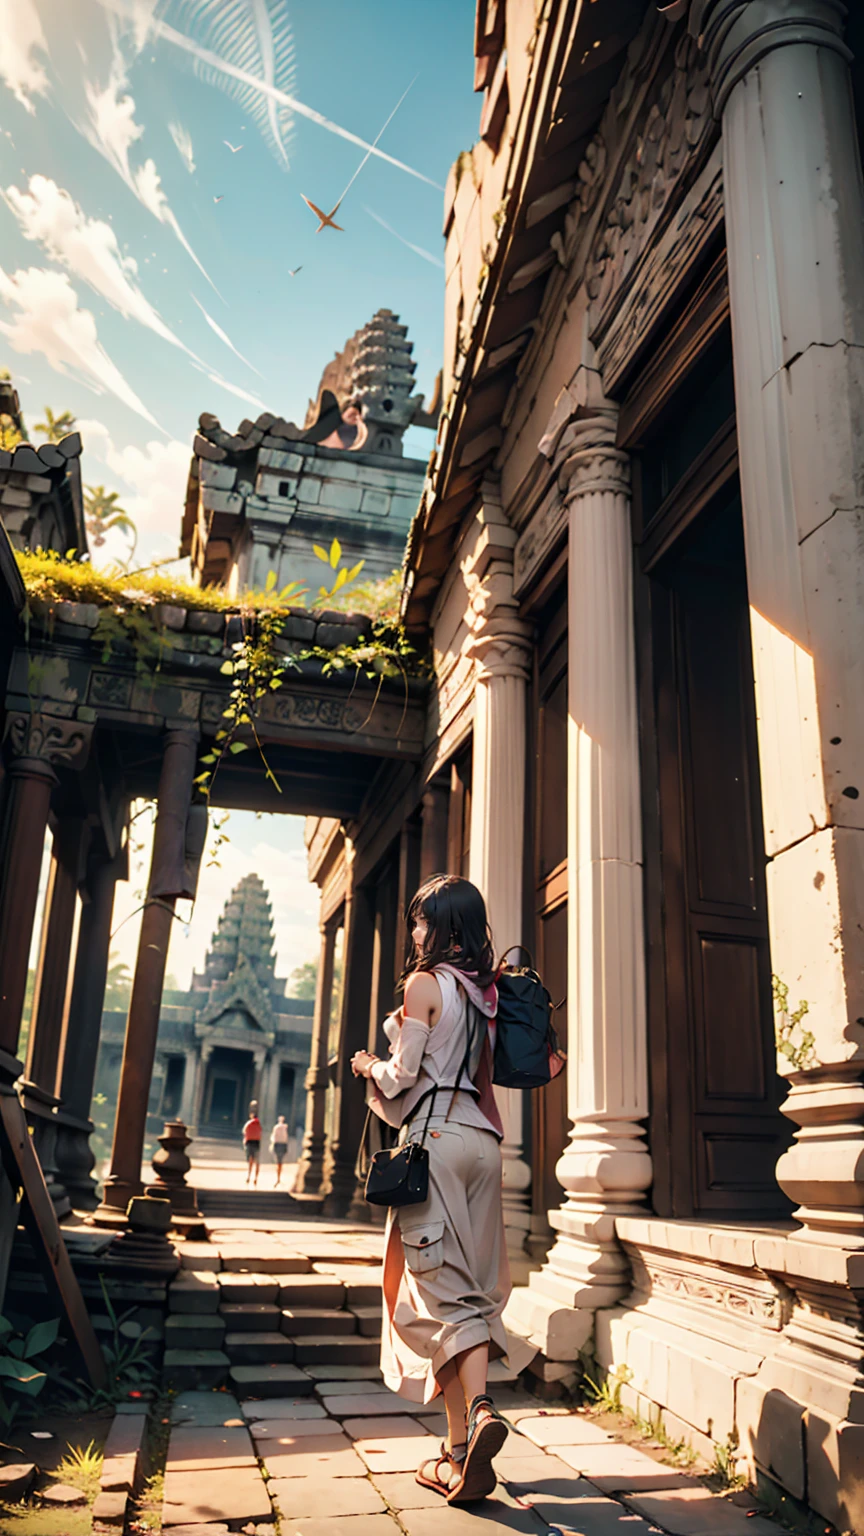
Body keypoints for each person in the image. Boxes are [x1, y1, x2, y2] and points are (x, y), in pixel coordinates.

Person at [351, 873, 511, 1505]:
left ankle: (481, 1411)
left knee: (441, 1294)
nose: (414, 931)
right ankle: (456, 1454)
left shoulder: (425, 985)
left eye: (421, 920)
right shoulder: (484, 995)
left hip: (437, 1145)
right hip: (483, 1145)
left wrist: (368, 1065)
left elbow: (404, 1076)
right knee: (452, 1291)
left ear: (441, 926)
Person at [242, 1103, 262, 1186]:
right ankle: (255, 1178)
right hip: (257, 1142)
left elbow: (244, 1132)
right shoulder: (259, 1123)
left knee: (251, 1160)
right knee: (257, 1161)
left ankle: (249, 1176)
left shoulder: (249, 1123)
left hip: (250, 1142)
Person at [270, 1114, 289, 1185]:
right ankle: (278, 1176)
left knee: (278, 1161)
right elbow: (286, 1138)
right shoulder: (285, 1127)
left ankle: (278, 1177)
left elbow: (274, 1137)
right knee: (280, 1162)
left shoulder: (276, 1127)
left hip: (277, 1144)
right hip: (283, 1144)